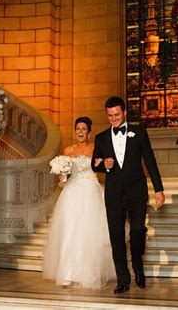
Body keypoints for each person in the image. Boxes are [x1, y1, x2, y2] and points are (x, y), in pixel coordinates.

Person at [91, 96, 165, 294]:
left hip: (137, 192)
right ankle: (123, 279)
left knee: (137, 231)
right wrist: (103, 165)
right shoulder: (101, 138)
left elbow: (150, 161)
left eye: (117, 114)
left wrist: (159, 189)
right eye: (110, 116)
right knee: (116, 238)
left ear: (124, 113)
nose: (114, 119)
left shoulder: (139, 132)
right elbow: (94, 163)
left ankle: (138, 268)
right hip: (114, 195)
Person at [43, 116, 116, 289]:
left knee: (89, 233)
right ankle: (68, 272)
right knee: (70, 231)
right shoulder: (68, 150)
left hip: (90, 191)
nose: (80, 132)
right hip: (71, 192)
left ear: (89, 132)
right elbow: (63, 178)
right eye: (78, 129)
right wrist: (62, 179)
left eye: (84, 129)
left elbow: (104, 168)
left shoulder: (96, 148)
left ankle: (88, 272)